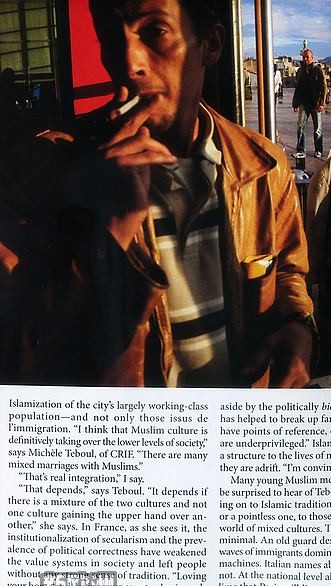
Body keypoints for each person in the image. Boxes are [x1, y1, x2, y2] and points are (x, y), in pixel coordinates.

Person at [0, 0, 314, 387]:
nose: (128, 62)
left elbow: (287, 270)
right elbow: (24, 355)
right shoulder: (47, 172)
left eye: (154, 32)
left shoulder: (263, 166)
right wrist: (111, 228)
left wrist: (298, 324)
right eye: (111, 37)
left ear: (212, 45)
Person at [292, 48, 326, 158]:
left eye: (307, 57)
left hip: (315, 103)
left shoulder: (318, 70)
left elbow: (324, 87)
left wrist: (322, 103)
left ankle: (318, 150)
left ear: (312, 58)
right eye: (304, 57)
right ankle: (301, 150)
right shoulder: (300, 71)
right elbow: (298, 88)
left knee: (317, 129)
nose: (305, 59)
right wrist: (295, 103)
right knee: (300, 127)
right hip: (304, 102)